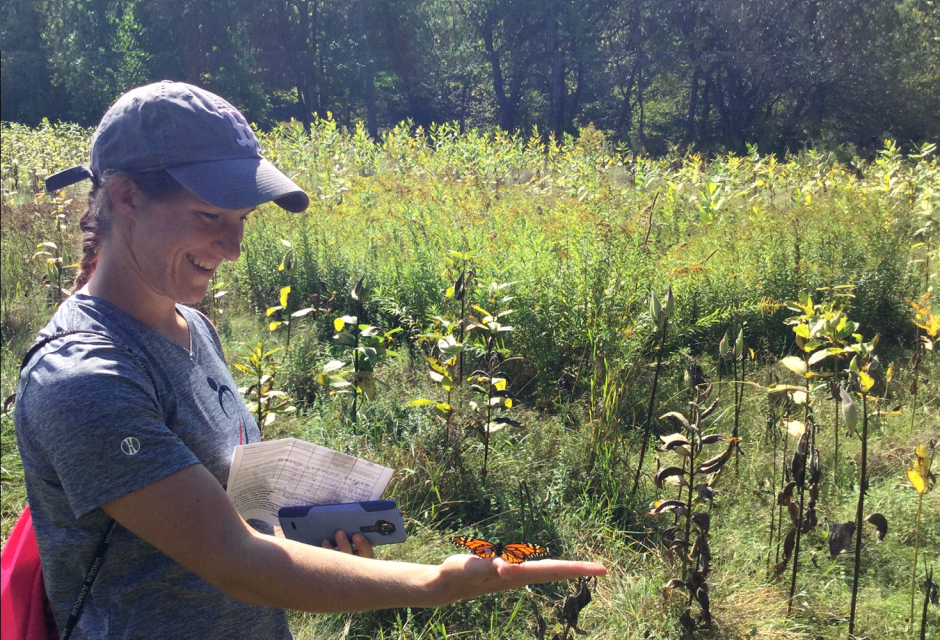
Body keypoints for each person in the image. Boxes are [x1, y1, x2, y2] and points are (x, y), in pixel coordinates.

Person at [13, 80, 606, 639]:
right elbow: (235, 560)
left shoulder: (191, 326)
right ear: (126, 196)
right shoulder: (84, 377)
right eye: (210, 216)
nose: (234, 249)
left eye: (241, 221)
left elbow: (235, 508)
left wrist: (301, 533)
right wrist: (433, 582)